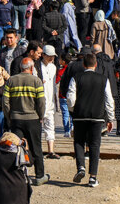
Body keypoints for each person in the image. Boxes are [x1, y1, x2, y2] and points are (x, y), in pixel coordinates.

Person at [66, 54, 115, 188]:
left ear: (83, 65)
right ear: (96, 65)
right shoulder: (103, 79)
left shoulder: (76, 78)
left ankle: (81, 166)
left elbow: (70, 98)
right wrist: (110, 118)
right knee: (94, 145)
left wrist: (73, 109)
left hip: (80, 115)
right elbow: (109, 100)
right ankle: (93, 177)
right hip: (97, 116)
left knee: (79, 141)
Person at [1, 57, 48, 185]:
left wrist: (9, 116)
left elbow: (5, 102)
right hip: (33, 119)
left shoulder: (11, 80)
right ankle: (39, 176)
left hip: (16, 119)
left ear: (21, 67)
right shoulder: (36, 81)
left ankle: (16, 174)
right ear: (32, 68)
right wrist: (40, 116)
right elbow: (41, 102)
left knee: (15, 147)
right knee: (36, 148)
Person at [40, 46, 60, 159]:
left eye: (52, 56)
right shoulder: (38, 67)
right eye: (49, 56)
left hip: (51, 100)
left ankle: (51, 150)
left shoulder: (53, 67)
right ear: (43, 55)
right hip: (41, 100)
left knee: (50, 125)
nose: (51, 58)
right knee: (38, 126)